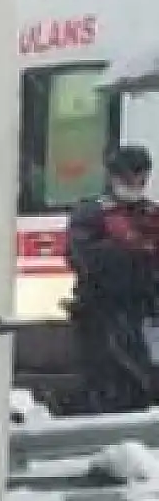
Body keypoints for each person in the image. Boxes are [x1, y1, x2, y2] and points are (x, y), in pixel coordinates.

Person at [67, 145, 159, 415]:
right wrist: (135, 251)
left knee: (143, 383)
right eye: (128, 178)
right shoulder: (92, 214)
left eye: (140, 178)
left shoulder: (151, 215)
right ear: (113, 178)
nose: (135, 184)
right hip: (102, 316)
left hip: (144, 314)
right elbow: (86, 260)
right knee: (107, 386)